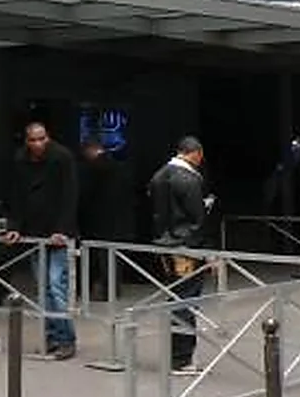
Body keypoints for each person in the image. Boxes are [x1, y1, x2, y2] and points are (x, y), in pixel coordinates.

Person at [4, 122, 79, 360]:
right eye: (33, 140)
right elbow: (16, 195)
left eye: (41, 139)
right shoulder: (20, 160)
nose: (37, 144)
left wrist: (62, 230)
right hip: (36, 233)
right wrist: (14, 226)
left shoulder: (62, 157)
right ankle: (52, 336)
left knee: (57, 286)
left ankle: (65, 339)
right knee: (44, 288)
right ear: (26, 141)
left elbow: (70, 194)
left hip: (57, 234)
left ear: (48, 138)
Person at [149, 136, 210, 377]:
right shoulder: (190, 179)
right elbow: (198, 219)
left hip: (164, 244)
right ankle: (182, 358)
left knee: (175, 297)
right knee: (186, 300)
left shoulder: (159, 175)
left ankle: (177, 355)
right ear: (197, 153)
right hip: (186, 245)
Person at [78, 136, 135, 300]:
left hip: (97, 221)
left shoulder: (91, 168)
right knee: (113, 259)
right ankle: (112, 291)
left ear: (89, 150)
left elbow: (86, 195)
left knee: (95, 257)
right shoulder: (121, 166)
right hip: (119, 220)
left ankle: (90, 290)